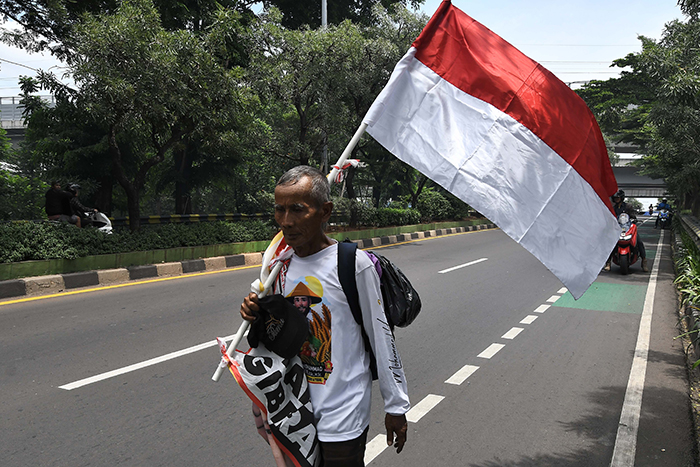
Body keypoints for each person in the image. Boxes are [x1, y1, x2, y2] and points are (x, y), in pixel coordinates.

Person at [240, 166, 410, 466]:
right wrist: (256, 313)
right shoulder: (279, 265)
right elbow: (276, 334)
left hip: (342, 411)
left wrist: (395, 404)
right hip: (295, 411)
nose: (286, 222)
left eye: (297, 210)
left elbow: (380, 334)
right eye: (279, 210)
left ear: (325, 211)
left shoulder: (353, 264)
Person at [605, 190, 648, 272]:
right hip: (617, 228)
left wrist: (634, 219)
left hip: (627, 227)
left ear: (622, 198)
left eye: (618, 198)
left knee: (639, 242)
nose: (616, 199)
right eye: (615, 198)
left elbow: (632, 215)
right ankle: (608, 263)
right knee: (610, 243)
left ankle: (644, 260)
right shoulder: (613, 207)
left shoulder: (628, 206)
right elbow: (610, 216)